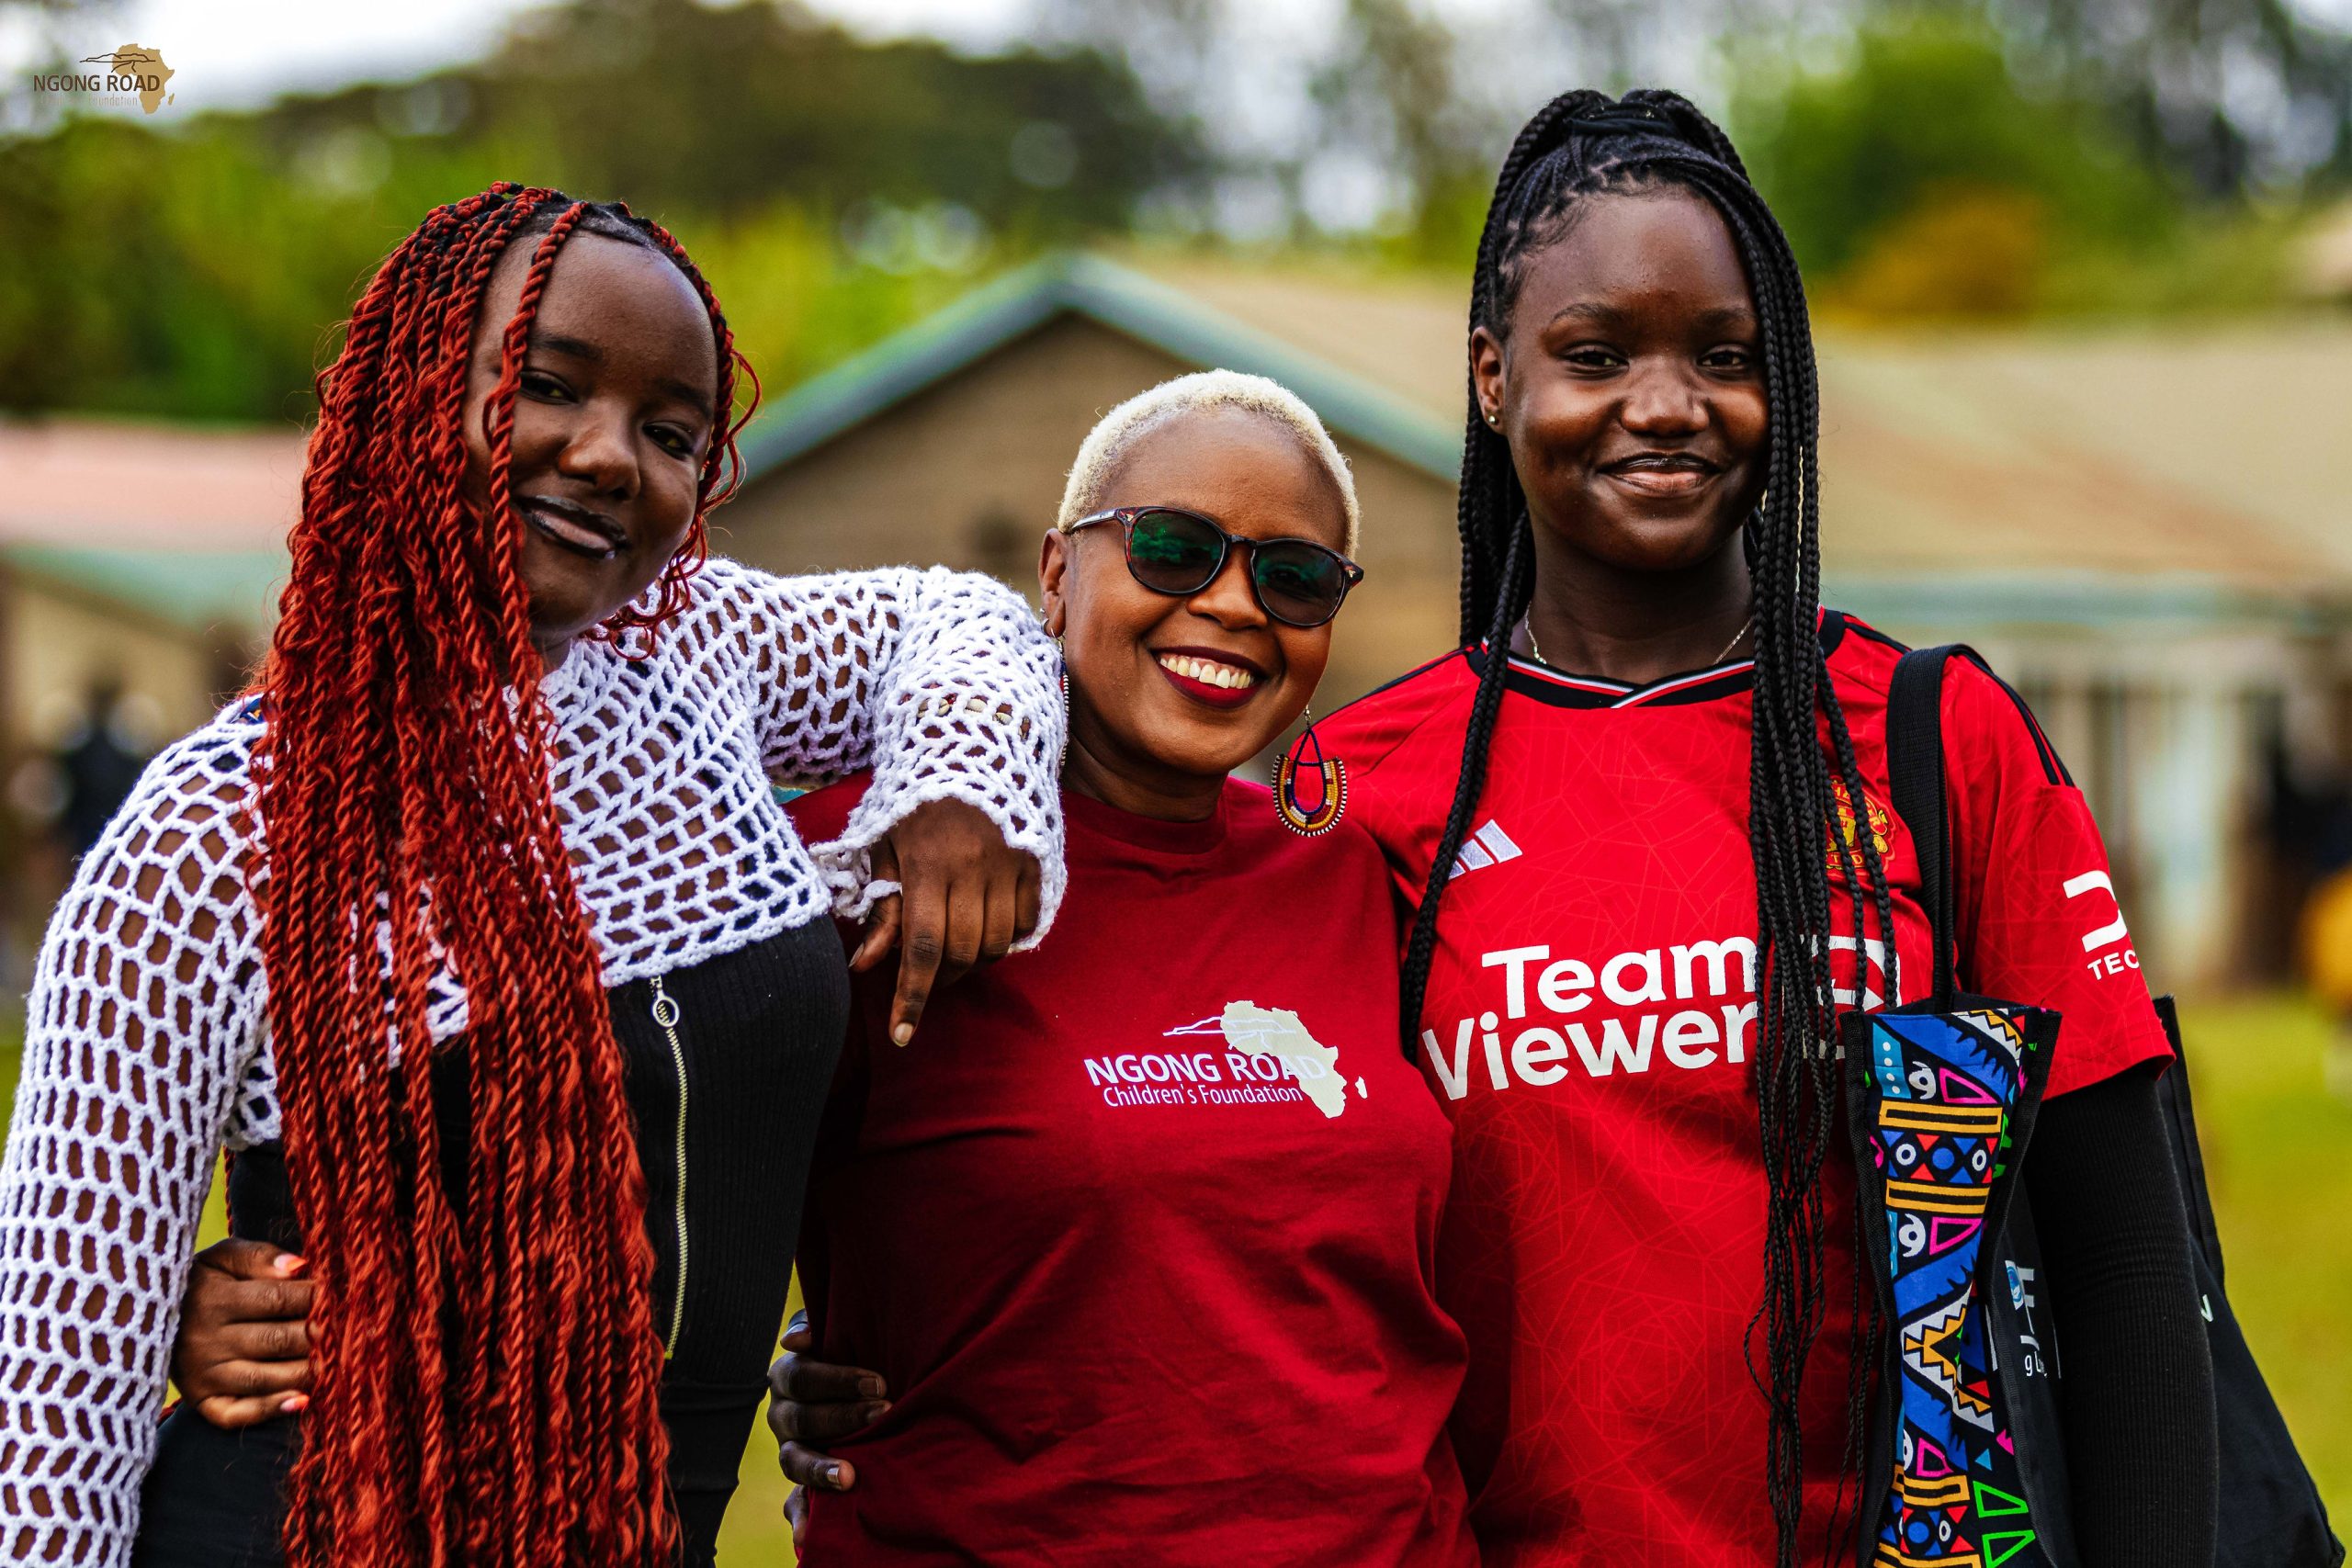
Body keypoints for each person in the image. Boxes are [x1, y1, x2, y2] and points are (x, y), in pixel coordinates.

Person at [766, 94, 2221, 1568]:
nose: (1666, 405)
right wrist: (899, 1322)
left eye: (1725, 356)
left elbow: (2123, 1252)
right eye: (1595, 356)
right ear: (1490, 376)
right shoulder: (1360, 792)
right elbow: (1219, 1176)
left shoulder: (1927, 740)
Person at [178, 370, 1483, 1567]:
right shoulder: (849, 871)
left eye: (1299, 578)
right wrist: (273, 1289)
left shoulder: (1362, 880)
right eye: (1173, 548)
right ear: (1055, 572)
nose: (1235, 604)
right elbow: (558, 1119)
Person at [0, 183, 1065, 1568]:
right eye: (547, 385)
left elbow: (957, 614)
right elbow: (55, 1404)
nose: (611, 457)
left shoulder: (707, 663)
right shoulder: (213, 832)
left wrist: (961, 783)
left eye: (674, 434)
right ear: (411, 391)